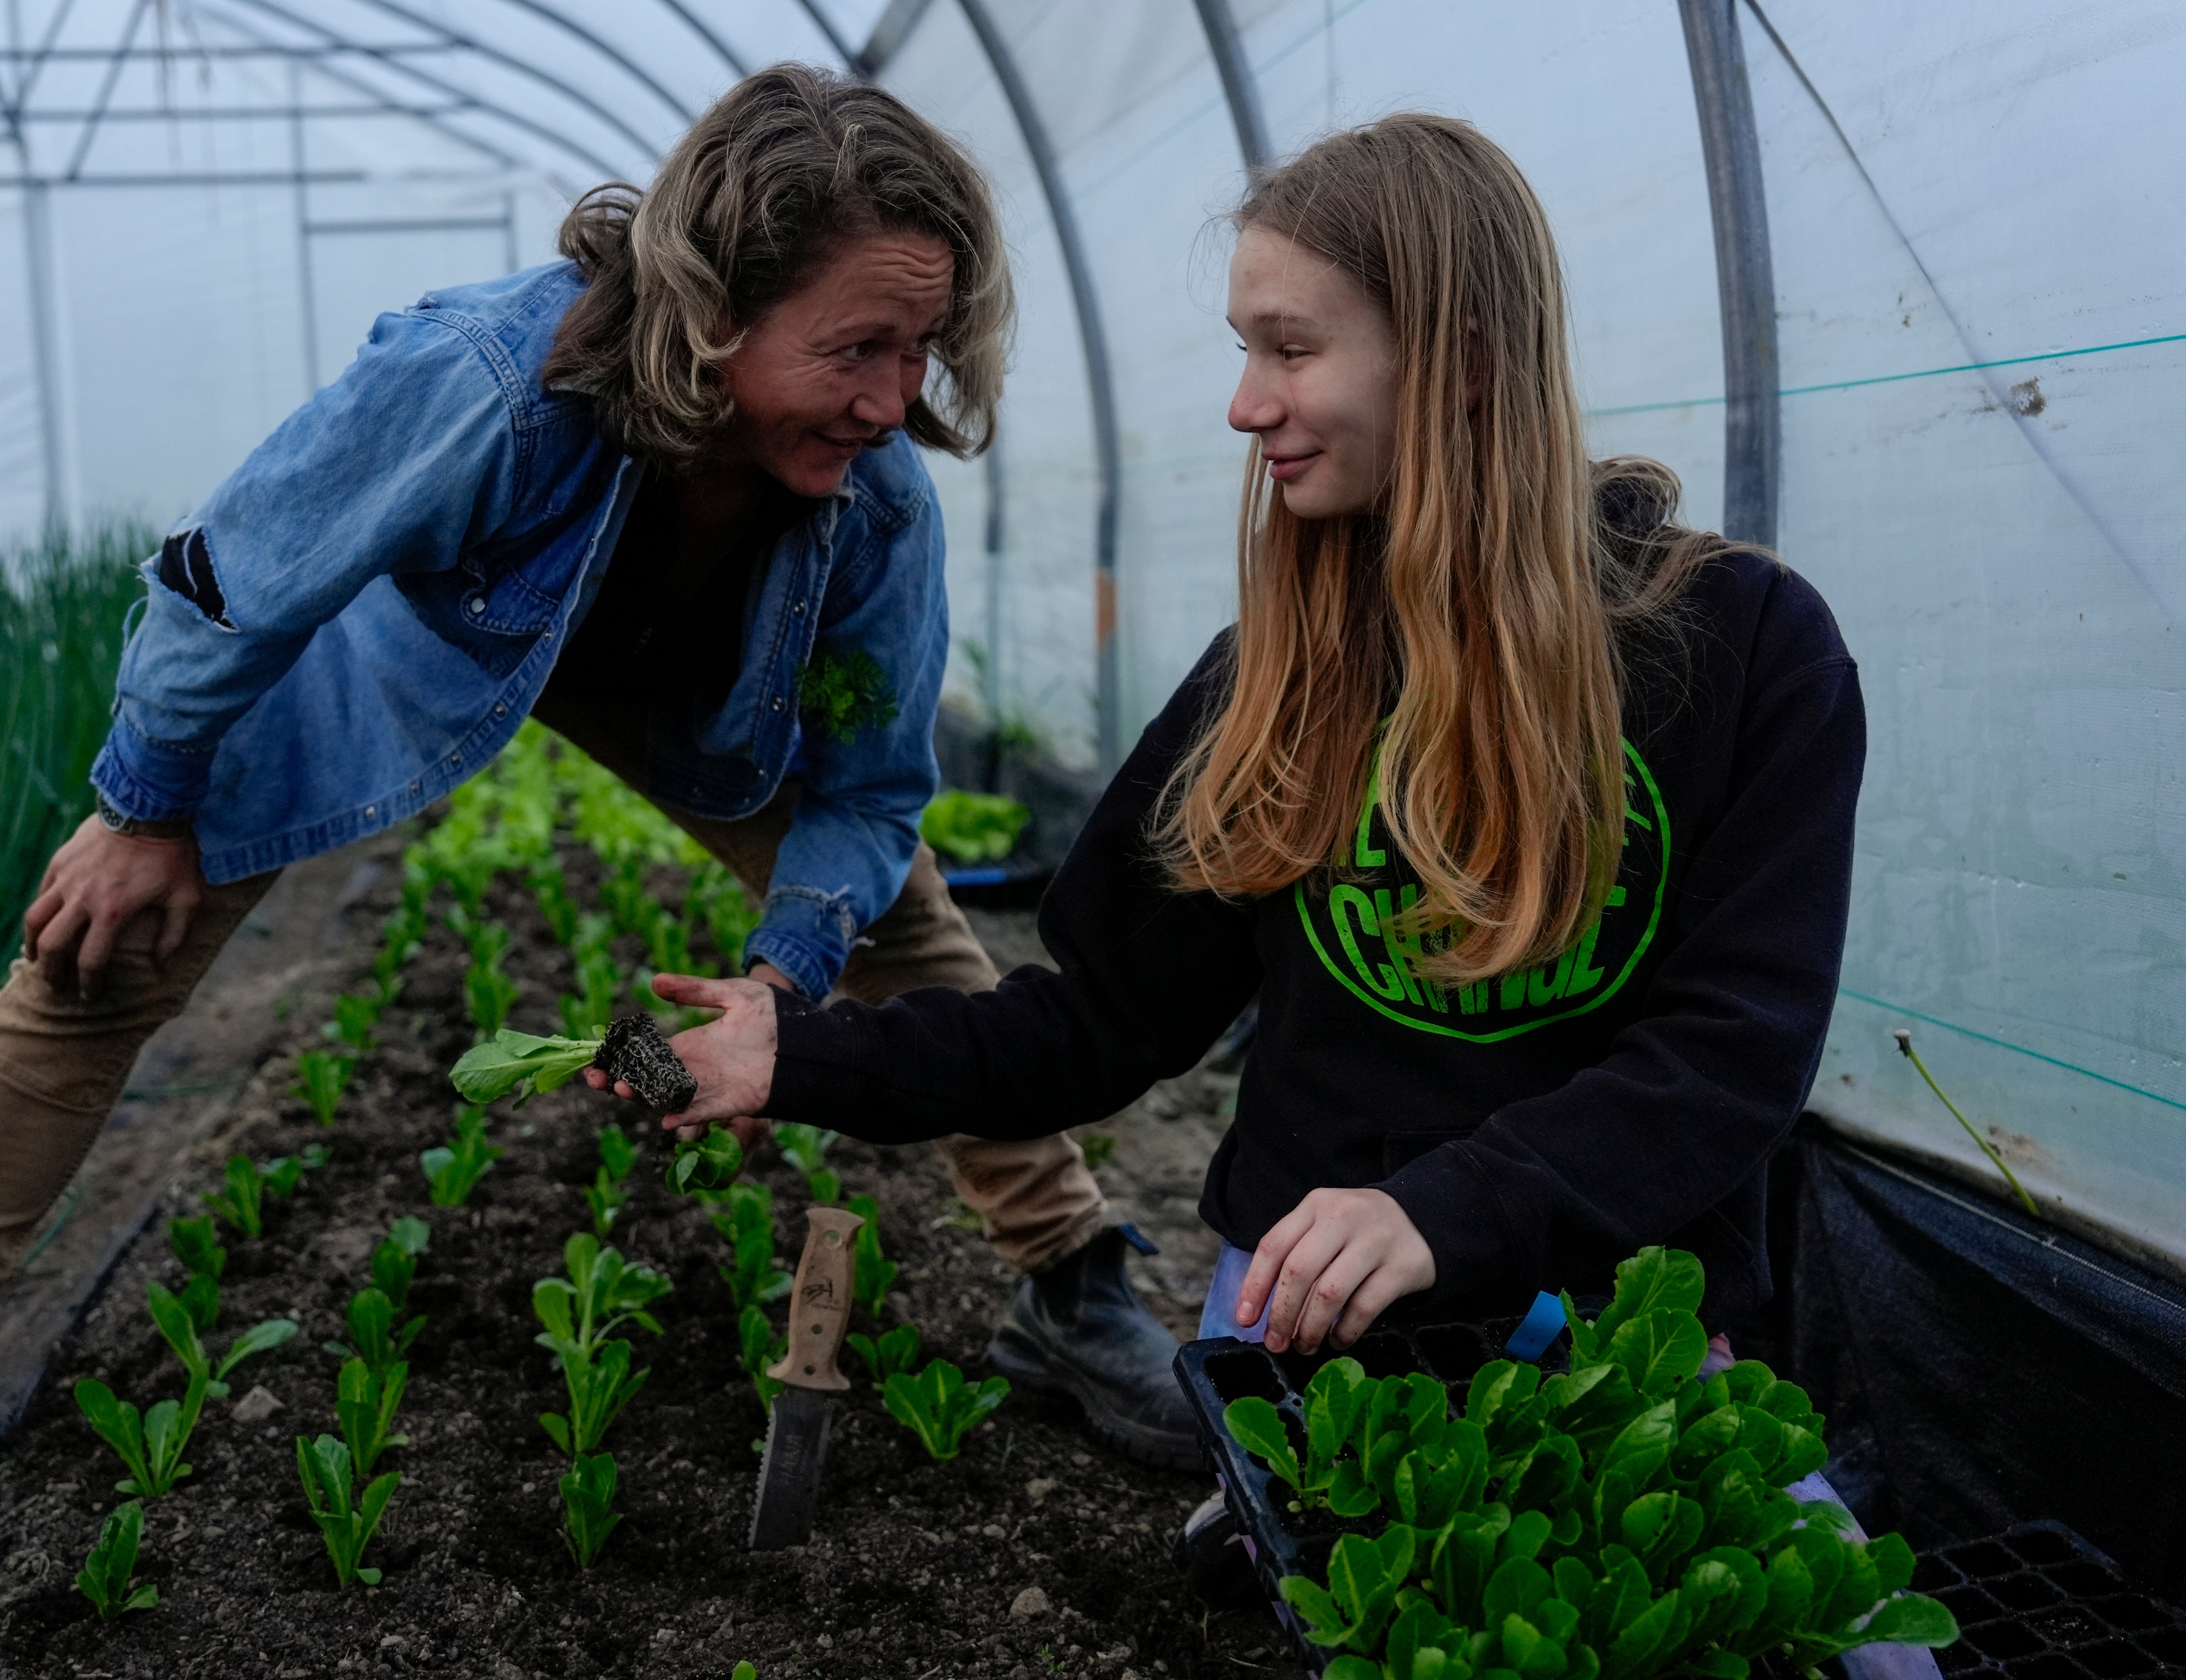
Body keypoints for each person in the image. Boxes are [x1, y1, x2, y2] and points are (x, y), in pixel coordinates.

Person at [0, 66, 1197, 1597]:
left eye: (921, 349)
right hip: (433, 651)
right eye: (854, 350)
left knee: (900, 923)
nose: (896, 401)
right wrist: (141, 807)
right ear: (713, 311)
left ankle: (1074, 1287)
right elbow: (239, 574)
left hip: (696, 702)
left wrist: (786, 981)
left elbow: (874, 785)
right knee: (101, 945)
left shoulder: (872, 500)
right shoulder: (487, 377)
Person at [617, 113, 1864, 1389]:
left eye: (1292, 349)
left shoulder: (1743, 650)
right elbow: (1101, 1023)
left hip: (1627, 1343)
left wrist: (1439, 1213)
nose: (1245, 405)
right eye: (1243, 349)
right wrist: (795, 1054)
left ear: (1463, 358)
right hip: (1311, 1333)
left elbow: (1729, 1056)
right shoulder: (1274, 676)